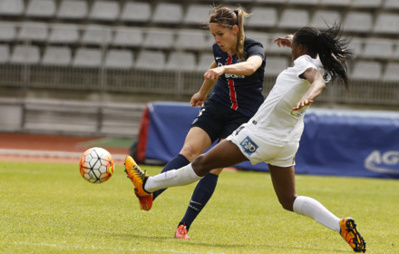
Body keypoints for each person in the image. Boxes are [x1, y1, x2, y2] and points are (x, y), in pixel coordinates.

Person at [125, 23, 367, 253]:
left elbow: (315, 81)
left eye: (295, 46)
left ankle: (147, 185)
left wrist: (310, 94)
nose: (292, 51)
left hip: (261, 134)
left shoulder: (304, 61)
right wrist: (294, 39)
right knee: (289, 200)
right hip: (287, 141)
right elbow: (314, 64)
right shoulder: (322, 60)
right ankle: (340, 225)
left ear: (302, 50)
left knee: (202, 163)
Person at [127, 6, 267, 239]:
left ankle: (184, 226)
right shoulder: (218, 50)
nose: (216, 40)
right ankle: (150, 193)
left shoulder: (254, 48)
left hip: (244, 115)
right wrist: (202, 92)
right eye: (213, 35)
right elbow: (215, 64)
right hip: (216, 107)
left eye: (220, 34)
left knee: (214, 166)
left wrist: (224, 68)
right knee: (189, 150)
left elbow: (251, 66)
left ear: (234, 30)